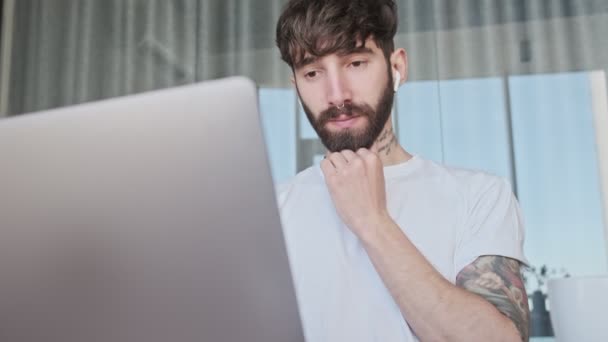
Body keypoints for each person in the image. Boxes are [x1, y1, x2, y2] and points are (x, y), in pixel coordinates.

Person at [274, 0, 529, 341]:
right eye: (312, 72)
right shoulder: (272, 212)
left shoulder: (479, 196)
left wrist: (372, 222)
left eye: (356, 62)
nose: (337, 95)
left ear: (397, 68)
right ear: (296, 86)